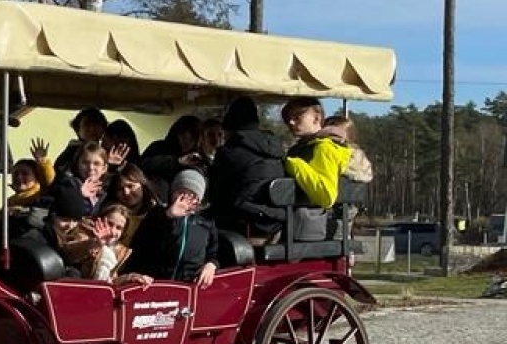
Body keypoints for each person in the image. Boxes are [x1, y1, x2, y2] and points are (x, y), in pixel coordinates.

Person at [206, 96, 285, 241]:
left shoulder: (229, 152)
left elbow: (215, 194)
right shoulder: (276, 150)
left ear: (229, 127)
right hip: (275, 223)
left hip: (244, 224)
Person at [122, 169, 220, 288]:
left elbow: (213, 252)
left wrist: (211, 265)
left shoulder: (206, 223)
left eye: (192, 195)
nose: (186, 199)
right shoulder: (157, 215)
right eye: (181, 193)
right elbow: (141, 245)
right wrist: (169, 217)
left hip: (189, 286)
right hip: (154, 283)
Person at [280, 97, 352, 208]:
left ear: (316, 118)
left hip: (314, 221)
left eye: (297, 117)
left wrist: (294, 164)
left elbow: (326, 196)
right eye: (287, 118)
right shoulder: (305, 147)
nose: (291, 122)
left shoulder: (325, 148)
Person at [141, 114, 203, 182]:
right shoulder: (159, 147)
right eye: (182, 135)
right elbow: (143, 164)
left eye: (192, 138)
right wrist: (177, 161)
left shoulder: (199, 158)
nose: (186, 141)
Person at [109, 163, 161, 243]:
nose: (126, 192)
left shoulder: (158, 214)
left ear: (142, 185)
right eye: (120, 189)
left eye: (130, 186)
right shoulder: (110, 214)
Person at [54, 107, 109, 177]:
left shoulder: (104, 152)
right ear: (78, 129)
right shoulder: (71, 152)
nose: (92, 129)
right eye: (87, 125)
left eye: (96, 125)